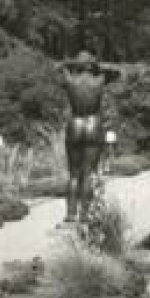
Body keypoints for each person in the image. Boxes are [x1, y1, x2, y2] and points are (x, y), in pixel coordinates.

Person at [60, 51, 121, 225]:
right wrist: (97, 67)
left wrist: (72, 65)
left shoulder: (70, 79)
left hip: (75, 124)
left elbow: (61, 68)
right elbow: (116, 73)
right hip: (93, 124)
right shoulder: (99, 80)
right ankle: (86, 214)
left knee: (73, 174)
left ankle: (71, 214)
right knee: (89, 173)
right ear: (91, 65)